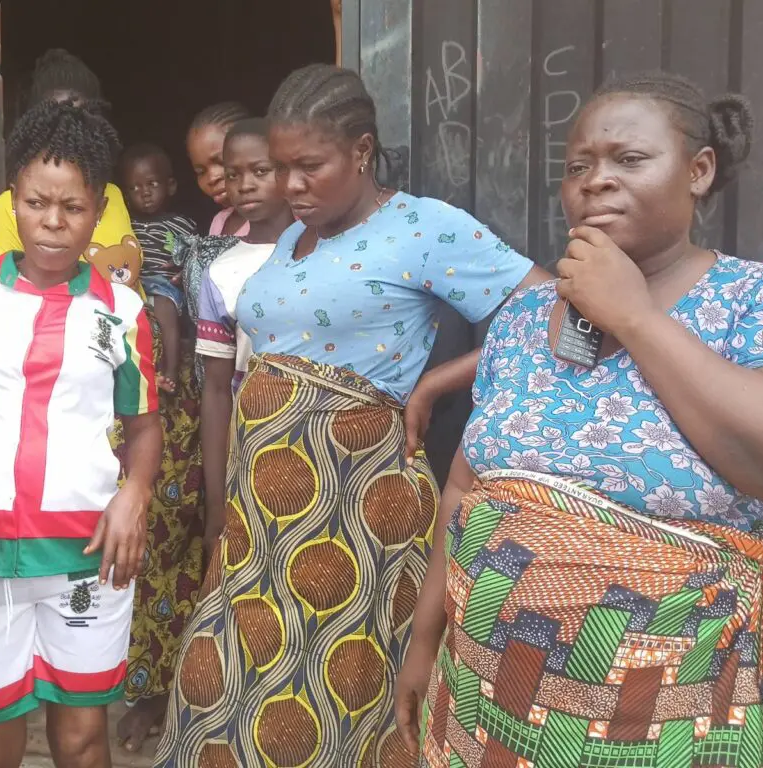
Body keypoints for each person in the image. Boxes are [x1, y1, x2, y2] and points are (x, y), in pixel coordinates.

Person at [155, 64, 550, 767]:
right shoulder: (291, 240)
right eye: (280, 169)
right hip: (262, 516)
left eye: (309, 166)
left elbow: (547, 309)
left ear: (362, 151)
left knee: (332, 699)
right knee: (214, 682)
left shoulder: (423, 226)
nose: (290, 187)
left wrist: (434, 387)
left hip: (356, 506)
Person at [403, 73, 763, 767]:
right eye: (578, 166)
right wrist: (422, 641)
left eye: (629, 159)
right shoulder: (525, 320)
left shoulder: (759, 298)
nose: (595, 181)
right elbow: (466, 491)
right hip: (487, 702)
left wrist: (635, 317)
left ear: (699, 170)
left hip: (671, 709)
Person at [0, 99, 163, 768]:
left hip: (86, 550)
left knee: (82, 739)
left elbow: (144, 425)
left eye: (74, 208)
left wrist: (135, 494)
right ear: (13, 201)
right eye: (37, 204)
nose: (54, 224)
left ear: (98, 212)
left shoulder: (121, 310)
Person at [195, 118, 295, 565]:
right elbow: (216, 390)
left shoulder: (332, 252)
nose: (244, 185)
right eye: (233, 175)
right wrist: (216, 503)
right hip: (250, 452)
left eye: (260, 170)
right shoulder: (221, 271)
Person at [0, 49, 137, 270]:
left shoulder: (112, 195)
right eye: (36, 204)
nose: (68, 130)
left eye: (74, 207)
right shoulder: (6, 207)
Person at [119, 143, 196, 392]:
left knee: (164, 310)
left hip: (165, 285)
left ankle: (169, 371)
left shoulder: (182, 223)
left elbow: (195, 258)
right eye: (135, 187)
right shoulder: (126, 224)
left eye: (152, 184)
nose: (145, 193)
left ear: (170, 186)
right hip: (135, 282)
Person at [186, 101, 252, 237]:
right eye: (201, 172)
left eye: (221, 161)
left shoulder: (290, 219)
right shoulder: (219, 222)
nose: (211, 178)